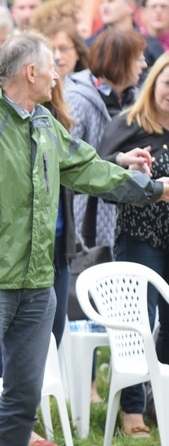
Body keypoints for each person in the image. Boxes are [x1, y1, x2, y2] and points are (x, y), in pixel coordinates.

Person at [0, 32, 169, 446]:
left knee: (24, 398)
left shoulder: (44, 122)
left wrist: (153, 189)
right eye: (53, 66)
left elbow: (89, 169)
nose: (58, 75)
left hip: (38, 286)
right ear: (31, 72)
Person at [96, 53, 169, 437]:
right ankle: (132, 409)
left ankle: (161, 401)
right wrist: (128, 169)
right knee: (137, 323)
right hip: (141, 235)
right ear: (154, 81)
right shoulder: (129, 124)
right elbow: (99, 176)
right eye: (167, 83)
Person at [65, 29, 147, 252]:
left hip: (128, 216)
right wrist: (118, 161)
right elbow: (67, 163)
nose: (144, 65)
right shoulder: (76, 100)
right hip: (87, 218)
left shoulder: (136, 99)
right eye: (138, 58)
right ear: (120, 61)